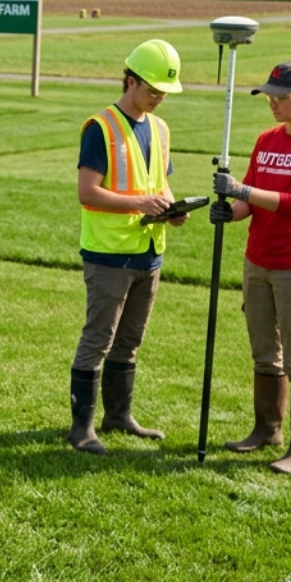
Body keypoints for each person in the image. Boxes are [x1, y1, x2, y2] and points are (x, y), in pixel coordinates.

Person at [209, 59, 291, 474]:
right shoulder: (267, 139)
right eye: (268, 97)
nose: (272, 104)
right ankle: (267, 430)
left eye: (279, 97)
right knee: (265, 352)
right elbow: (249, 201)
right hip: (258, 261)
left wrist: (242, 188)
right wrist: (230, 210)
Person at [67, 39, 191, 456]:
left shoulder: (159, 129)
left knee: (130, 341)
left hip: (149, 251)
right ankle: (81, 429)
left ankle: (118, 416)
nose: (158, 99)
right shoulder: (100, 128)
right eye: (153, 90)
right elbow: (88, 192)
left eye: (164, 93)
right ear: (131, 80)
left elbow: (159, 180)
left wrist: (172, 207)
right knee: (98, 339)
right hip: (109, 253)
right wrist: (141, 203)